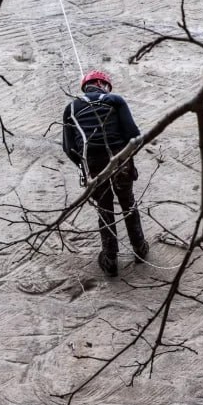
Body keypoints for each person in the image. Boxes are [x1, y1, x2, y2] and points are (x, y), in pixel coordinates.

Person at [62, 70, 149, 276]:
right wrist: (127, 158)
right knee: (128, 202)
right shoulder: (116, 100)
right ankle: (139, 248)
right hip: (119, 158)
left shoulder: (71, 108)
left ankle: (110, 259)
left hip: (92, 163)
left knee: (104, 207)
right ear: (102, 85)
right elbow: (133, 135)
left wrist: (84, 165)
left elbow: (69, 147)